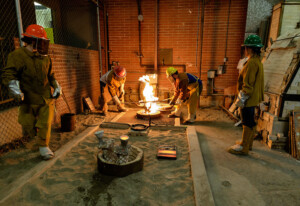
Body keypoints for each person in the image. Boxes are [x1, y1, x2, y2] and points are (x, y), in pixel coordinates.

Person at [1, 24, 61, 160]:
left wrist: (57, 86)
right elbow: (8, 73)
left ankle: (43, 146)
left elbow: (51, 75)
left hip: (45, 98)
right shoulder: (17, 55)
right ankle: (35, 137)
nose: (44, 45)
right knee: (27, 124)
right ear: (33, 41)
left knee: (45, 123)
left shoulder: (45, 57)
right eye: (42, 41)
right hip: (28, 98)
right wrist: (14, 88)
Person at [228, 34, 264, 155]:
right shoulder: (257, 61)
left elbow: (248, 84)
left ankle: (244, 147)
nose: (244, 50)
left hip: (248, 98)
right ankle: (248, 144)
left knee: (246, 121)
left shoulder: (251, 63)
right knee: (250, 121)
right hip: (253, 98)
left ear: (249, 48)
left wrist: (241, 99)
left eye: (245, 48)